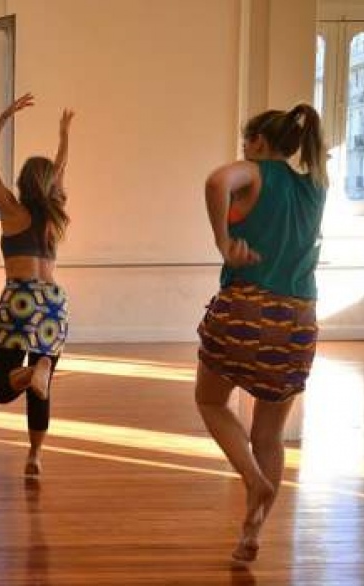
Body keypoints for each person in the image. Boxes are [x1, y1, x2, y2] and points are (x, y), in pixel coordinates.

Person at [196, 104, 327, 564]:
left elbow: (216, 182)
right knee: (269, 433)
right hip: (298, 320)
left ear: (258, 143)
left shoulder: (255, 172)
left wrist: (223, 242)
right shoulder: (316, 188)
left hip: (247, 308)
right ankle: (252, 531)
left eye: (245, 142)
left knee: (211, 402)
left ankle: (252, 479)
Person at [0, 93, 72, 478]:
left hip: (20, 299)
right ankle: (34, 457)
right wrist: (64, 136)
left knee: (1, 388)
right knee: (40, 387)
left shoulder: (12, 211)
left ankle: (34, 372)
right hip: (54, 304)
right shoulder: (56, 214)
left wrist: (3, 116)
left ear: (20, 182)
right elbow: (61, 169)